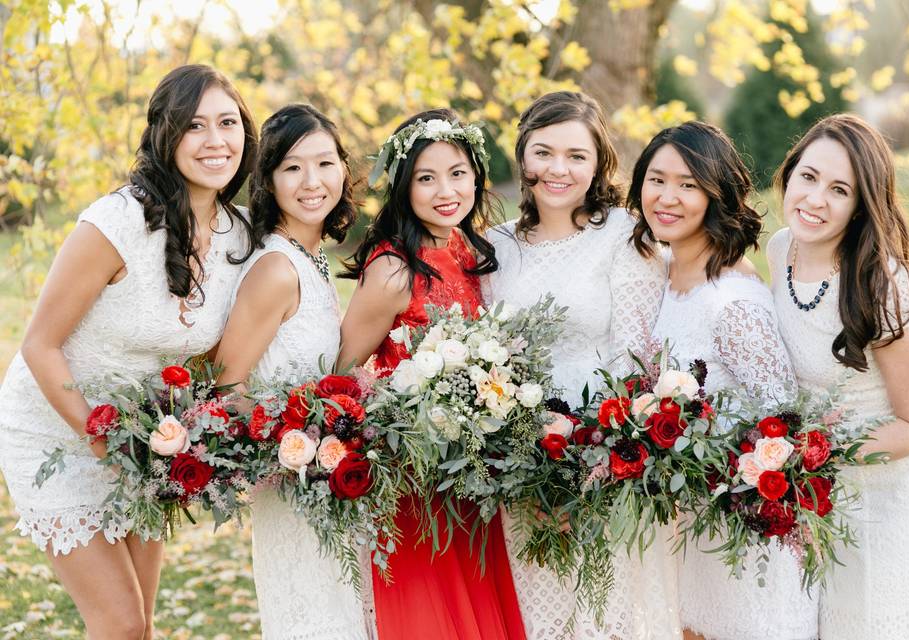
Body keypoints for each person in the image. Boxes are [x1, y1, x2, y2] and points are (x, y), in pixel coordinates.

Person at [0, 64, 257, 639]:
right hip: (56, 431)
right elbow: (39, 344)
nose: (216, 141)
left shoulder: (239, 235)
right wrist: (100, 438)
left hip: (144, 439)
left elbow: (214, 356)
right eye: (196, 126)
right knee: (117, 623)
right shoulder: (118, 220)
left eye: (228, 122)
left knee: (139, 625)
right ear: (166, 136)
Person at [484, 90, 680, 639]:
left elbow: (637, 356)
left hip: (600, 454)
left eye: (576, 155)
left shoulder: (623, 234)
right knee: (540, 608)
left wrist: (588, 458)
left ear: (598, 164)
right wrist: (526, 452)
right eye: (543, 152)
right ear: (523, 157)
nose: (558, 169)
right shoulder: (496, 245)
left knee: (605, 608)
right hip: (519, 458)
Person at [768, 113, 909, 639]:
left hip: (891, 501)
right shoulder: (780, 248)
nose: (814, 200)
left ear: (861, 206)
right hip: (818, 499)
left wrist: (813, 451)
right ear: (789, 174)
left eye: (839, 190)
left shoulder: (882, 285)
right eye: (808, 177)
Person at [338, 108, 525, 640]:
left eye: (458, 173)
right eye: (426, 177)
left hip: (470, 473)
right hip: (417, 479)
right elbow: (343, 373)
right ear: (402, 187)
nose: (446, 190)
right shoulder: (394, 267)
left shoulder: (471, 249)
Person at [628, 121, 818, 640]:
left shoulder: (734, 301)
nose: (667, 197)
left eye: (688, 185)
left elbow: (780, 424)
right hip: (685, 533)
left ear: (718, 195)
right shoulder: (660, 270)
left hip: (741, 543)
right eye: (656, 179)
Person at [214, 104, 370, 640]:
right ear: (269, 179)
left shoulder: (310, 257)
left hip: (328, 485)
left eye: (325, 164)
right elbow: (226, 386)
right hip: (293, 487)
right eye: (293, 168)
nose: (313, 182)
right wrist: (294, 441)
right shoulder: (276, 268)